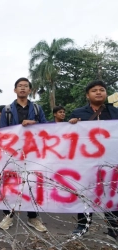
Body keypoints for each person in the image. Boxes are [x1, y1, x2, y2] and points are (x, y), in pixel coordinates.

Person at [69, 80, 118, 243]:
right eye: (94, 90)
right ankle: (82, 225)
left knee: (111, 193)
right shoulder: (78, 113)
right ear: (87, 95)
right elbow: (69, 136)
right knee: (85, 192)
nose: (99, 92)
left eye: (102, 90)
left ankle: (114, 227)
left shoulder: (115, 112)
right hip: (86, 161)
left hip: (110, 160)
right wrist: (72, 125)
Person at [0, 77, 48, 232]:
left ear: (30, 90)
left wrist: (35, 124)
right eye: (19, 86)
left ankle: (33, 217)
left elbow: (46, 129)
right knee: (11, 184)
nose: (22, 88)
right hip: (13, 153)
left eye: (25, 86)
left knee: (32, 184)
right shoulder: (7, 110)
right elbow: (2, 132)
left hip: (33, 153)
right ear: (15, 90)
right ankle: (9, 215)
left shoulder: (37, 109)